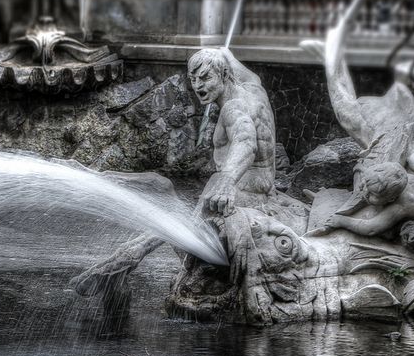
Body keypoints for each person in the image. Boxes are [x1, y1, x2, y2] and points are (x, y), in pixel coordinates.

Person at [71, 47, 305, 297]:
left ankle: (116, 265)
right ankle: (117, 264)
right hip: (261, 189)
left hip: (245, 196)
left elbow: (246, 142)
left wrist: (226, 180)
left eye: (205, 78)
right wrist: (220, 51)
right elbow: (227, 55)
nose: (198, 86)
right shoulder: (253, 87)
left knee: (178, 216)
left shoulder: (232, 109)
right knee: (168, 199)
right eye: (194, 79)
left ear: (224, 75)